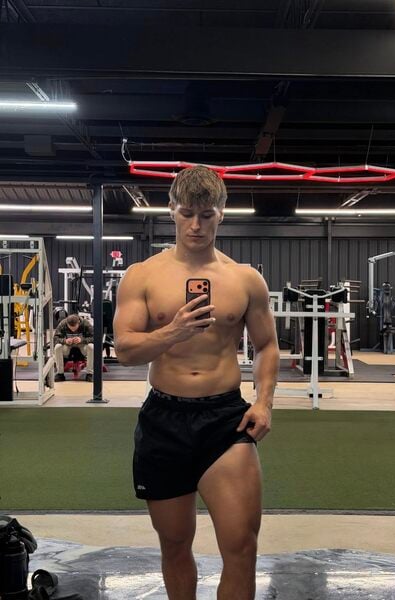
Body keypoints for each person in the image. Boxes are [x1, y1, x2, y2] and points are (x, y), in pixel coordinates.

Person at [113, 165, 280, 600]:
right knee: (174, 544)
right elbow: (125, 349)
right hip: (163, 420)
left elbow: (267, 346)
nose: (195, 225)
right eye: (187, 213)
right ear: (171, 210)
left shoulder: (245, 279)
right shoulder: (142, 275)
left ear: (221, 213)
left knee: (242, 548)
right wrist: (174, 331)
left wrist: (263, 402)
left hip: (225, 419)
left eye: (206, 215)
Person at [54, 314, 94, 382]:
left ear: (79, 322)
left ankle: (90, 374)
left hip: (82, 345)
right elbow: (55, 338)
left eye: (74, 328)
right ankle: (60, 374)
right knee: (57, 347)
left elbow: (94, 338)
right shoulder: (63, 323)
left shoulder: (85, 323)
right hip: (67, 345)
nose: (73, 330)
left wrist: (82, 340)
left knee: (91, 347)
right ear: (67, 324)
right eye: (70, 328)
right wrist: (65, 341)